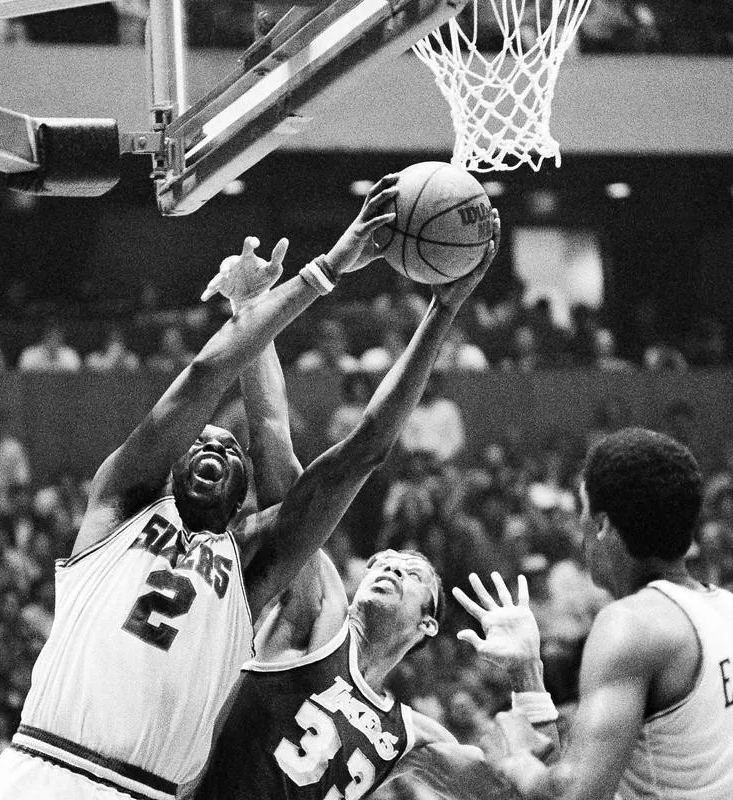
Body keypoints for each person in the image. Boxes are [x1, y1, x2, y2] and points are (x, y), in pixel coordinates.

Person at [0, 174, 402, 800]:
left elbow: (273, 433)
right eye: (200, 441)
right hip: (46, 767)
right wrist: (326, 268)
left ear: (242, 500)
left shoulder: (250, 564)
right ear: (171, 468)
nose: (214, 445)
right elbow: (206, 372)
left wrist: (253, 319)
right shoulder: (119, 504)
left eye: (229, 451)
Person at [195, 211, 543, 800]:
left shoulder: (413, 738)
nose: (388, 567)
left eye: (409, 573)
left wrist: (528, 673)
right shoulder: (317, 608)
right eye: (385, 562)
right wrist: (252, 317)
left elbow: (529, 793)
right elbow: (273, 434)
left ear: (427, 623)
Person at [460, 427, 733, 800]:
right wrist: (527, 674)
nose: (580, 528)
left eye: (583, 513)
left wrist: (515, 760)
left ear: (602, 525)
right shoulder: (724, 609)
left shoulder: (631, 624)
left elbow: (574, 796)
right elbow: (580, 774)